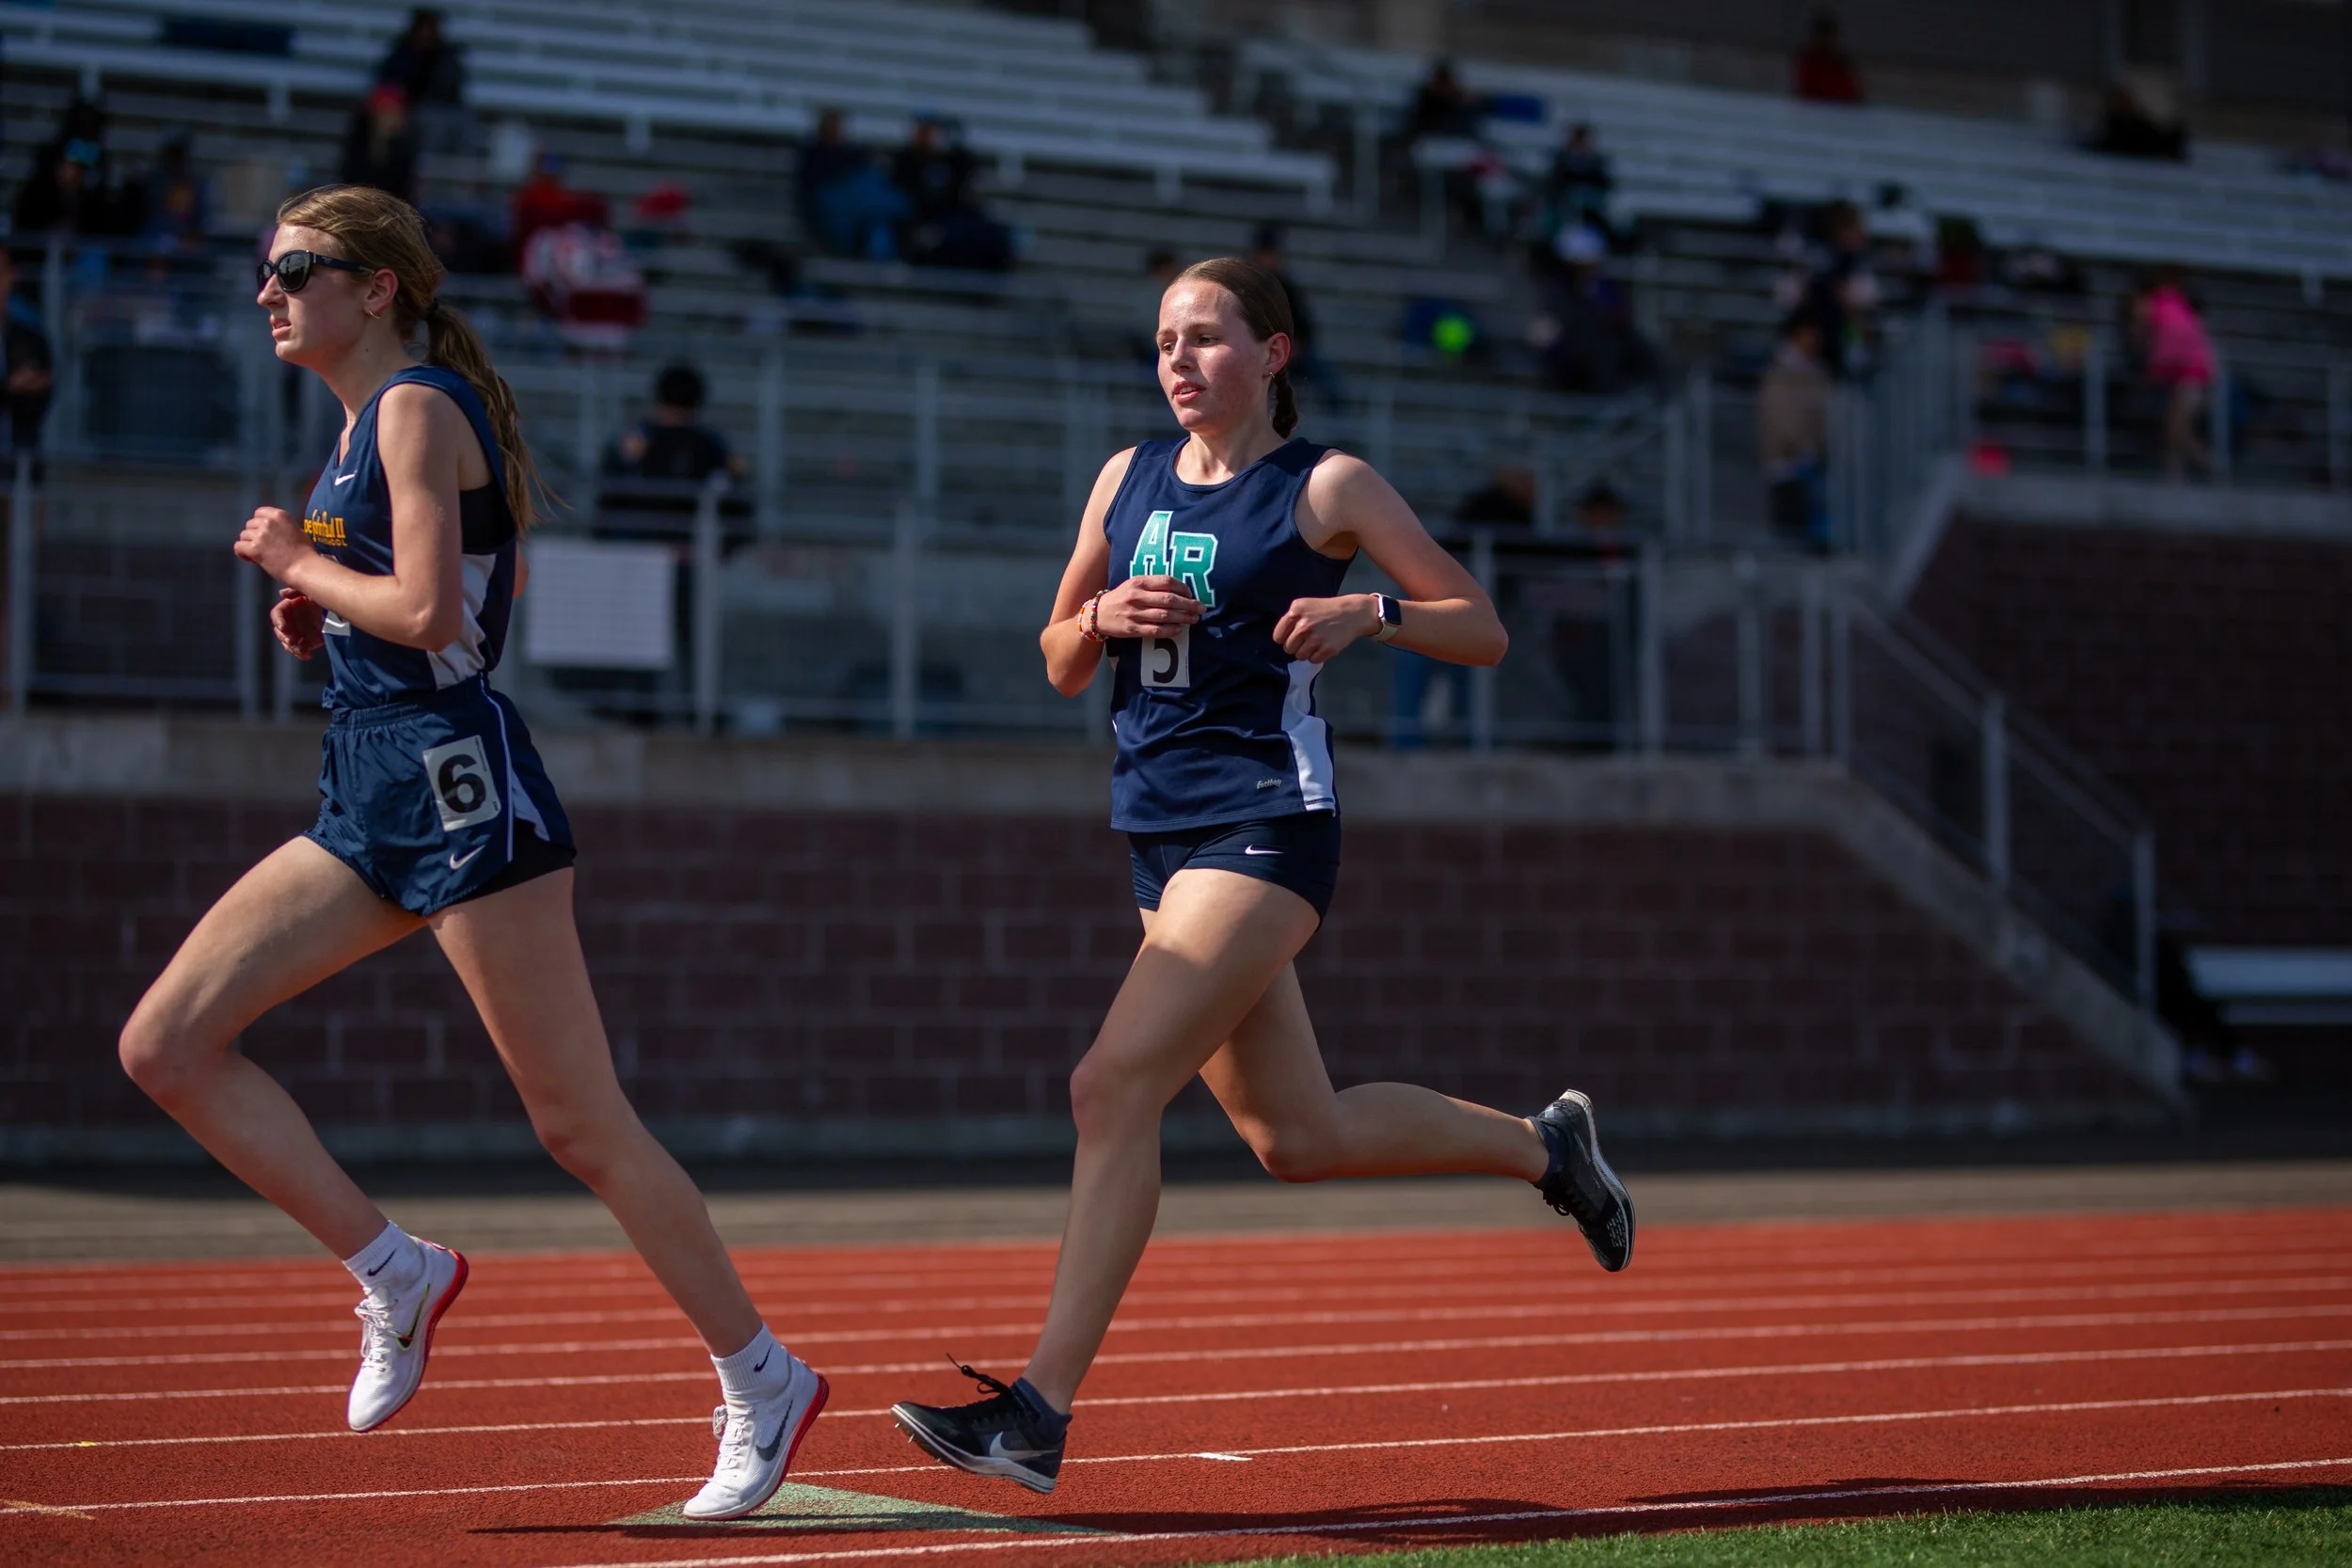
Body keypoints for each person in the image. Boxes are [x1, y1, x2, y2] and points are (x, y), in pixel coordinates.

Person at [116, 184, 825, 1522]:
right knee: (167, 1044)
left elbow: (441, 611)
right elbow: (438, 611)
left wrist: (297, 563)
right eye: (263, 271)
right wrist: (328, 616)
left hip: (457, 782)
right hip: (369, 777)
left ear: (377, 285)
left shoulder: (413, 408)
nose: (267, 291)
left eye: (295, 269)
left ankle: (762, 1372)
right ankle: (392, 1267)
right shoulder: (357, 427)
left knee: (580, 1122)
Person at [886, 256, 1634, 1495]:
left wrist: (1374, 616)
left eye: (1208, 338)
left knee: (1109, 1084)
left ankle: (1035, 1412)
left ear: (1273, 353)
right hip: (1160, 833)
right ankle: (1547, 1150)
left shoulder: (1323, 484)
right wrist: (1099, 619)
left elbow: (1481, 623)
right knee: (1299, 1133)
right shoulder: (1123, 478)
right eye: (1166, 340)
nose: (1178, 360)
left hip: (1267, 823)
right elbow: (1058, 657)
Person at [1759, 312, 1833, 549]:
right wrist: (1795, 442)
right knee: (1789, 524)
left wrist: (1820, 444)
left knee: (1812, 520)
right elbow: (1777, 413)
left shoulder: (1818, 372)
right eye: (1808, 334)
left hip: (1814, 457)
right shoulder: (1779, 373)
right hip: (1786, 459)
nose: (1813, 340)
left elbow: (1824, 410)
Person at [2134, 270, 2215, 481]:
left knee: (2178, 430)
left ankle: (2212, 467)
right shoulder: (2178, 305)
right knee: (2172, 430)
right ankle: (2175, 476)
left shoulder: (2156, 305)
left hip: (2190, 375)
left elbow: (2141, 335)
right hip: (2184, 374)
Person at [1, 249, 56, 461]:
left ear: (12, 276)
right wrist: (10, 386)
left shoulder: (30, 336)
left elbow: (41, 388)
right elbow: (18, 386)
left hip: (18, 459)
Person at [341, 85, 421, 207]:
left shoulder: (406, 146)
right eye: (384, 111)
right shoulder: (358, 142)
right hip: (358, 205)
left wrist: (391, 142)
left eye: (394, 111)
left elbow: (402, 187)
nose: (389, 117)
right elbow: (353, 178)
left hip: (394, 210)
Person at [1792, 10, 1865, 104]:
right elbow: (1804, 93)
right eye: (1822, 37)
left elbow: (1854, 96)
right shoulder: (1808, 62)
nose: (1825, 42)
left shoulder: (1843, 64)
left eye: (1828, 37)